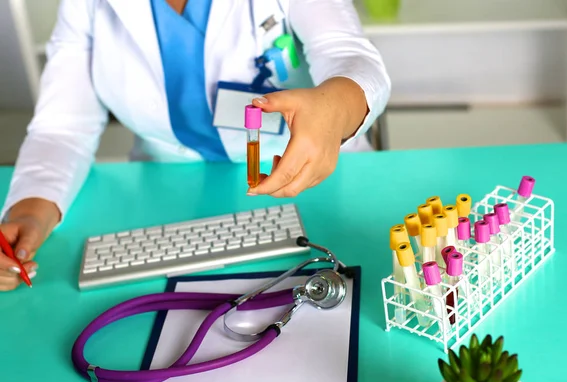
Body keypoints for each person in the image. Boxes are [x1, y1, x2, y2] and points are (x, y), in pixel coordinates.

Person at [0, 0, 390, 291]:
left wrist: (332, 108)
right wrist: (31, 213)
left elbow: (348, 54)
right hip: (167, 204)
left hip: (312, 186)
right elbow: (62, 127)